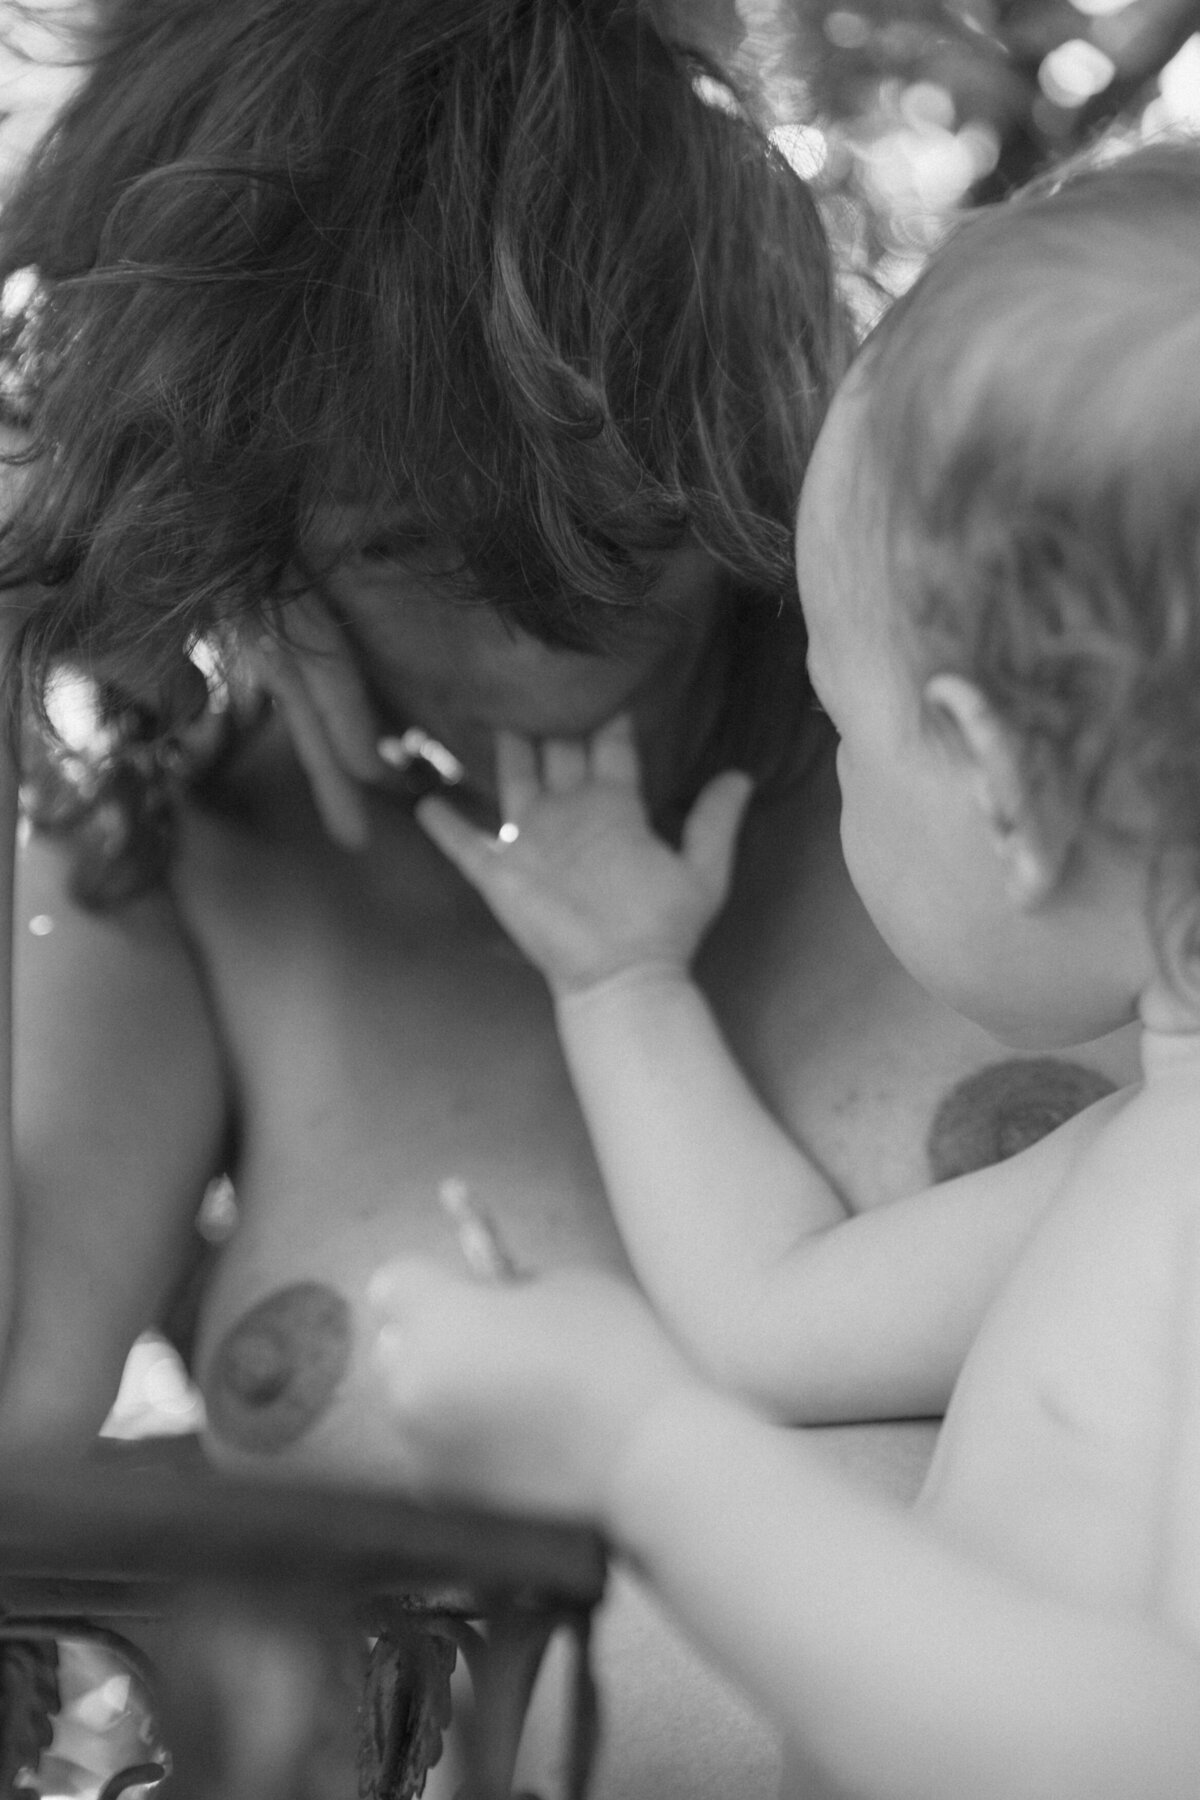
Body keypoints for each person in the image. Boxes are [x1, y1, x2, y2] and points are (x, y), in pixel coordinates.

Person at [364, 141, 1200, 1799]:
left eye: (841, 725)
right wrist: (626, 991)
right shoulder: (1139, 1161)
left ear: (999, 783)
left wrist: (645, 1459)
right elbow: (771, 1315)